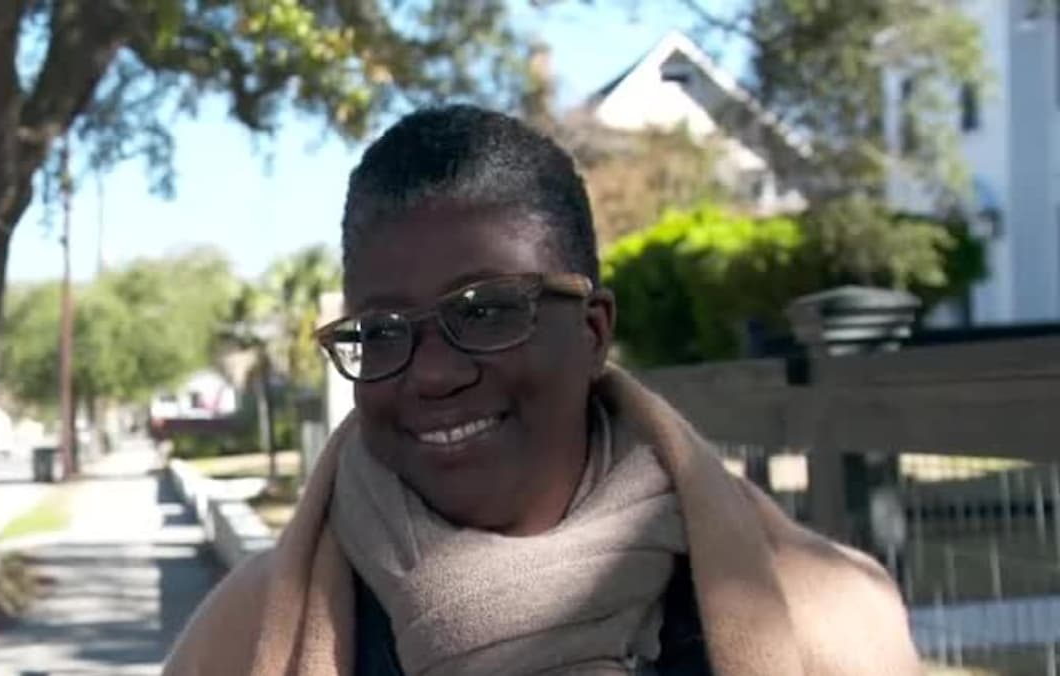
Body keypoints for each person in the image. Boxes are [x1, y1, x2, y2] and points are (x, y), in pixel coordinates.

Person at [163, 106, 919, 676]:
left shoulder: (825, 619)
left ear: (592, 331)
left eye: (486, 311)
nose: (433, 373)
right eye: (383, 330)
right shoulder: (247, 638)